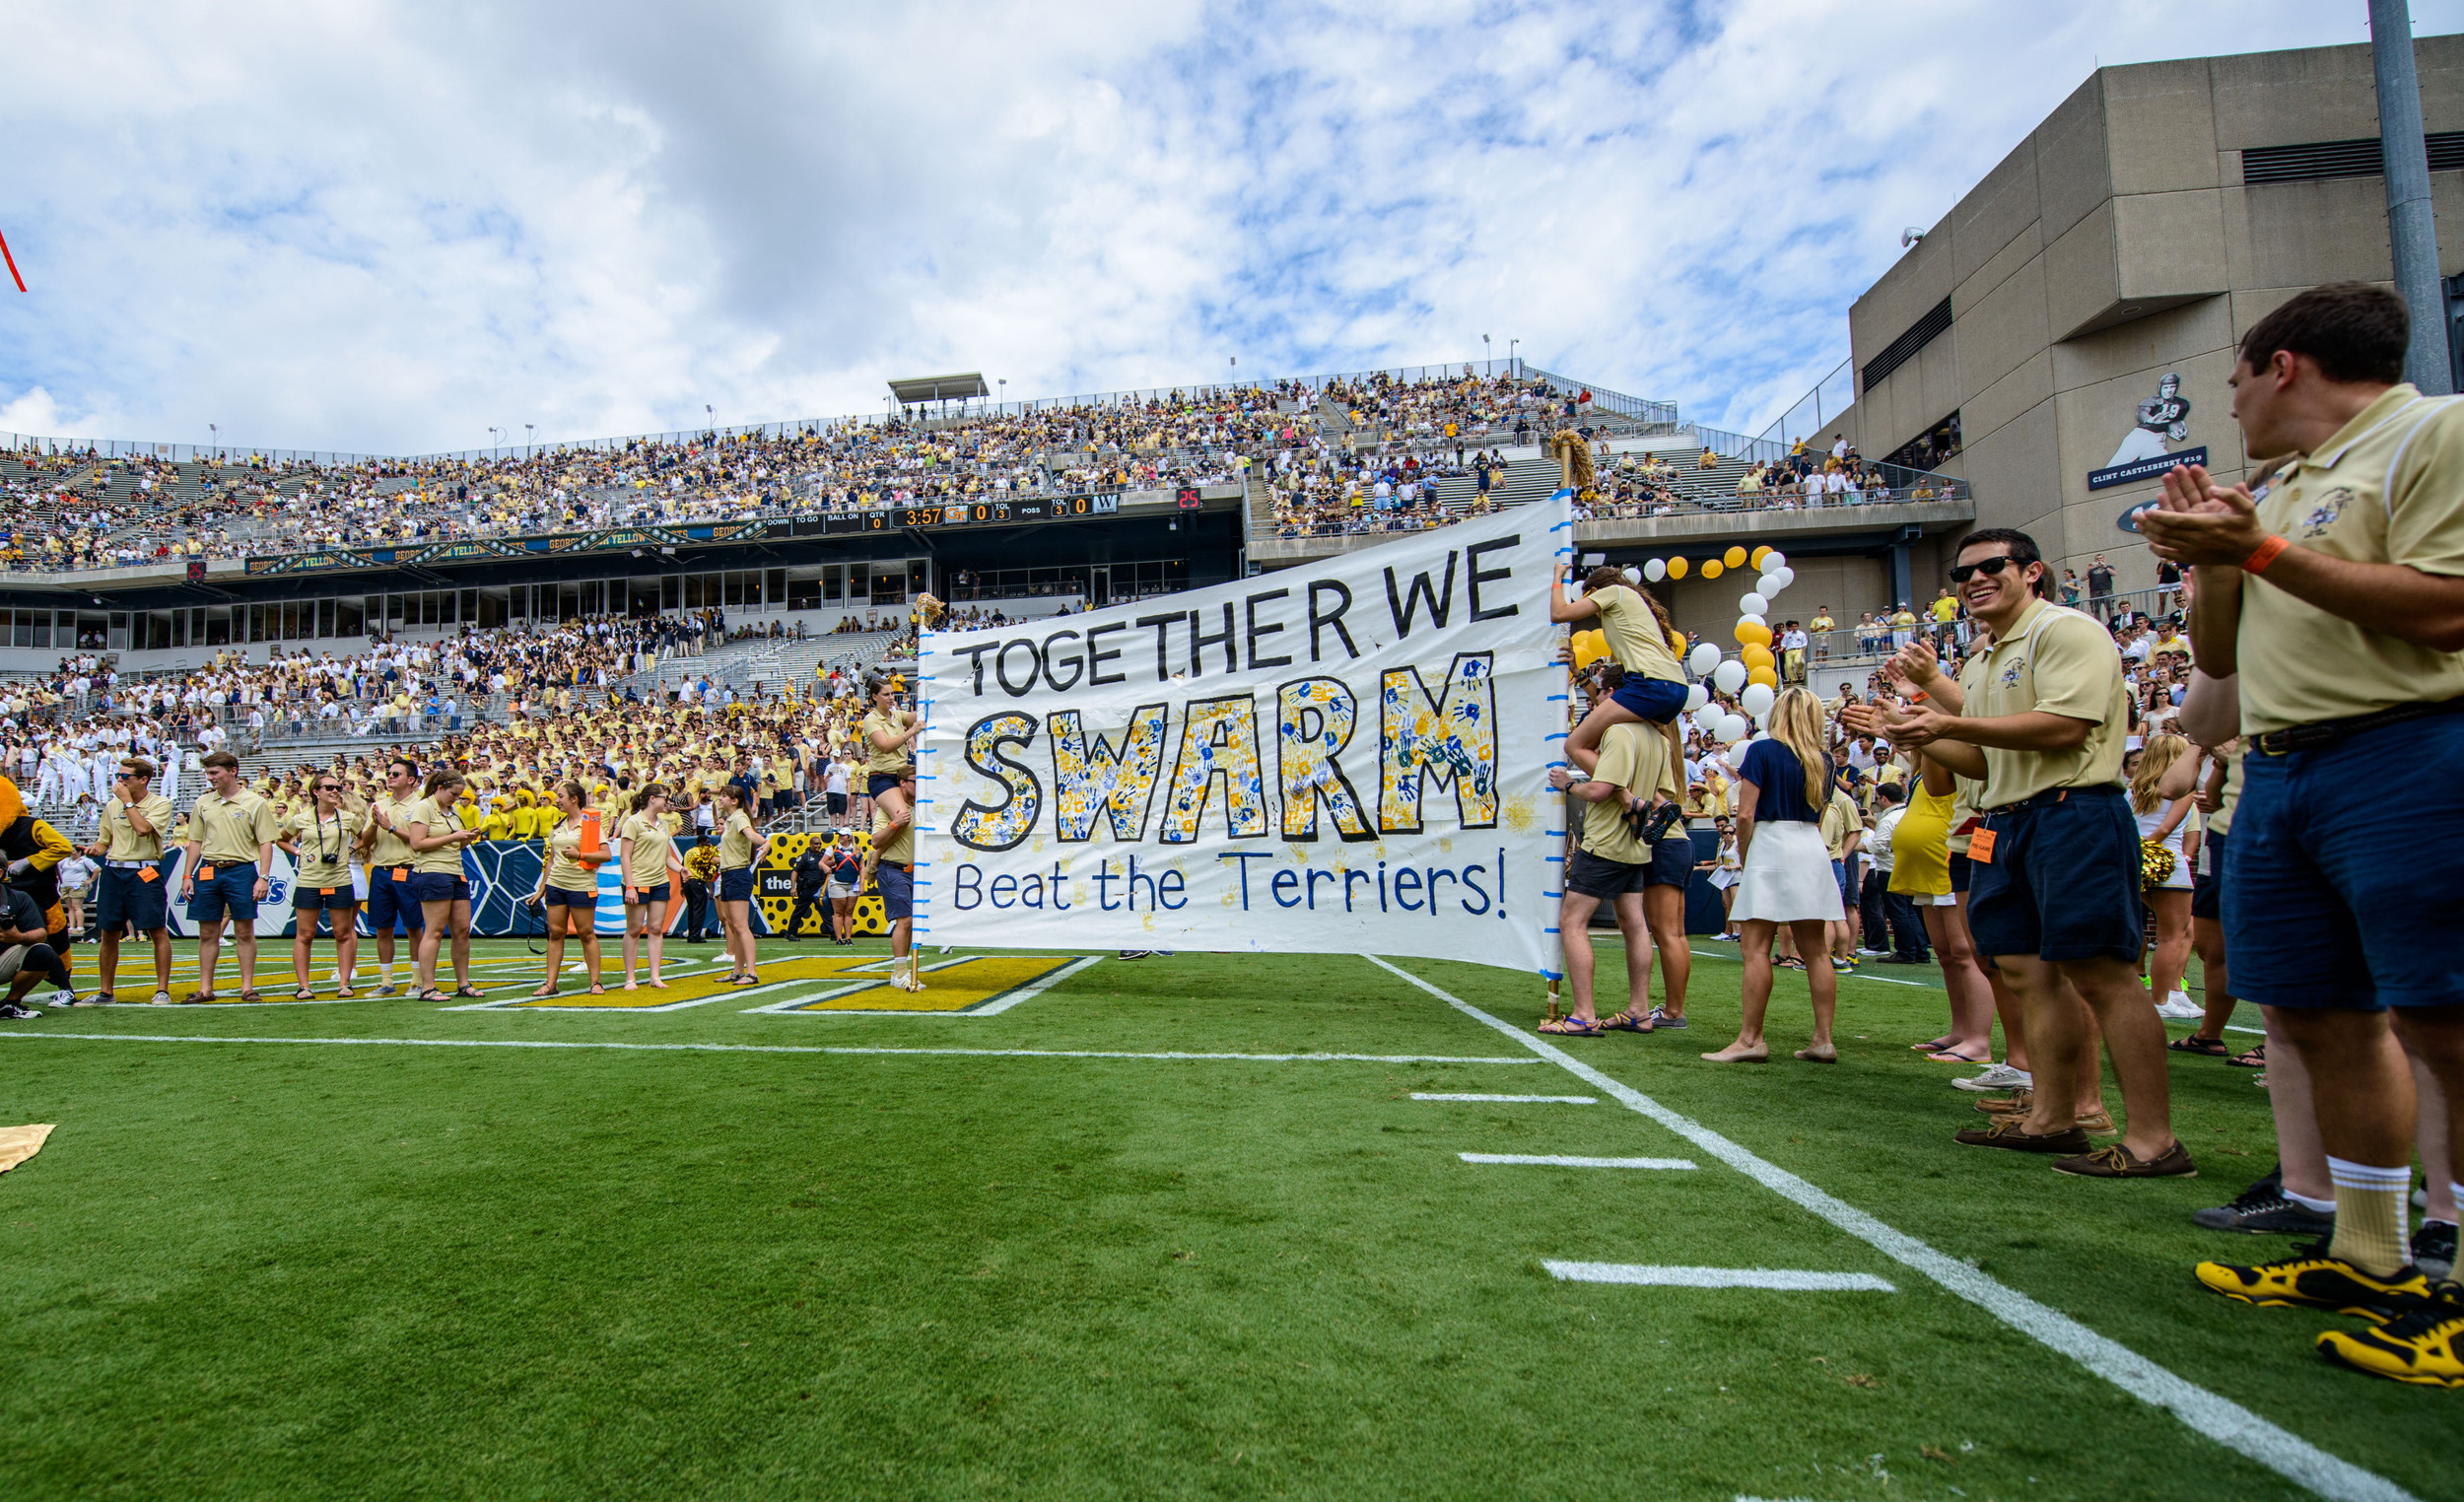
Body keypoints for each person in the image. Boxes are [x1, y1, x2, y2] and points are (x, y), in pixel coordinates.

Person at [2140, 280, 2464, 1376]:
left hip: (2411, 747)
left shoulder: (2434, 433)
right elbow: (2222, 661)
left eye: (2233, 380)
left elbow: (2445, 604)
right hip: (2283, 764)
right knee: (2322, 1016)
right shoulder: (2273, 491)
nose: (2228, 406)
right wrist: (2215, 555)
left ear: (2283, 366)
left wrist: (2262, 551)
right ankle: (2368, 1250)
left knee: (2447, 1025)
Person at [1861, 529, 2188, 1178]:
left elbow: (2067, 727)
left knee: (2103, 974)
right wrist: (1908, 735)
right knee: (2028, 975)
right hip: (2009, 822)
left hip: (2074, 812)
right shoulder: (1982, 660)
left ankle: (2154, 1140)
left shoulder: (2065, 631)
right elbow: (1981, 758)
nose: (1973, 579)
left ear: (2032, 571)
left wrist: (1943, 722)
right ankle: (2055, 1118)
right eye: (1962, 573)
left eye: (1991, 567)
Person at [1702, 688, 1844, 1064]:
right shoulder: (1824, 760)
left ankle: (1751, 1039)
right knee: (1815, 950)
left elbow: (1745, 814)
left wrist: (1747, 856)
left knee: (1755, 947)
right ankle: (1823, 1039)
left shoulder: (1762, 751)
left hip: (1770, 842)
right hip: (1810, 845)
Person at [1540, 699, 1670, 1036]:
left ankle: (1583, 1014)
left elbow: (1600, 790)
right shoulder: (1659, 738)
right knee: (1635, 924)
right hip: (1636, 844)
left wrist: (1567, 784)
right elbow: (1658, 796)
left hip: (1607, 840)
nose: (1600, 704)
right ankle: (1639, 1011)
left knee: (1572, 921)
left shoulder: (1618, 731)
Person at [1549, 566, 1688, 803]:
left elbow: (1559, 614)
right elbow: (1606, 702)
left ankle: (1629, 800)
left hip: (1650, 684)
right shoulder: (1634, 610)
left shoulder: (1614, 592)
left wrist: (1556, 578)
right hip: (1675, 687)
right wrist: (1578, 673)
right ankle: (1656, 802)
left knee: (1575, 745)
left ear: (1594, 591)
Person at [177, 749, 279, 1003]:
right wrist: (187, 875)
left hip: (241, 868)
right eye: (208, 773)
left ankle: (247, 987)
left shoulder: (255, 802)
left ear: (232, 771)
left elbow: (266, 842)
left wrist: (263, 876)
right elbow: (195, 841)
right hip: (209, 869)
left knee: (244, 930)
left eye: (214, 772)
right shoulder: (202, 803)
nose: (210, 777)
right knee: (207, 933)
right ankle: (205, 989)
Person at [83, 757, 174, 1006]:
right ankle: (106, 992)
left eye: (126, 777)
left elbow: (144, 829)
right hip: (114, 870)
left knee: (156, 929)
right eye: (118, 776)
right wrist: (94, 848)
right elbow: (105, 841)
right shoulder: (112, 806)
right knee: (108, 931)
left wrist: (127, 801)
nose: (120, 781)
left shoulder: (160, 803)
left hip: (144, 870)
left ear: (143, 779)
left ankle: (162, 990)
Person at [2130, 733, 2200, 1019]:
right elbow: (2165, 831)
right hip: (2168, 866)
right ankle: (2160, 1000)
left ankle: (2174, 993)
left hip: (2139, 864)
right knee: (2172, 936)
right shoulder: (2183, 789)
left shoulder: (2133, 788)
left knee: (2183, 931)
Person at [276, 772, 362, 999]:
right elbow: (281, 839)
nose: (335, 791)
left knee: (343, 933)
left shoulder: (347, 818)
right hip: (309, 881)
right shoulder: (301, 818)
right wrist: (297, 851)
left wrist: (350, 851)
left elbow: (365, 837)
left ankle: (345, 983)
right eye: (329, 788)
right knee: (304, 934)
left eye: (337, 788)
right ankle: (303, 986)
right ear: (316, 792)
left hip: (340, 879)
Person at [400, 769, 484, 1002]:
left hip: (455, 872)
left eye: (458, 796)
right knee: (435, 930)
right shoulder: (423, 807)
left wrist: (466, 838)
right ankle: (427, 987)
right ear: (439, 788)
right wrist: (454, 837)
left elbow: (454, 845)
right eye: (453, 794)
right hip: (432, 872)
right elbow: (417, 843)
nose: (456, 799)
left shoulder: (452, 810)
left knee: (462, 931)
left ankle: (463, 983)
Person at [529, 779, 606, 997]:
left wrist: (580, 855)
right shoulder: (557, 827)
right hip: (556, 885)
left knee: (586, 933)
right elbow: (551, 860)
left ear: (574, 799)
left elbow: (605, 854)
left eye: (561, 796)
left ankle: (596, 982)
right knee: (555, 933)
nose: (557, 800)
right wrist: (541, 888)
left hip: (582, 884)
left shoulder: (590, 824)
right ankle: (550, 983)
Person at [359, 757, 427, 996]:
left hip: (409, 870)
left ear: (411, 780)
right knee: (382, 928)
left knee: (413, 927)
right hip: (381, 870)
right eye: (389, 773)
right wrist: (375, 825)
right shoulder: (378, 805)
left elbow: (420, 841)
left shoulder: (421, 805)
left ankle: (417, 980)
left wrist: (389, 827)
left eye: (396, 774)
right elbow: (364, 843)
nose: (390, 777)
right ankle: (387, 980)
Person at [617, 785, 675, 989]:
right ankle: (630, 977)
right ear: (652, 799)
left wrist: (682, 869)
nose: (667, 802)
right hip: (638, 880)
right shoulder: (633, 822)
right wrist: (630, 885)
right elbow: (624, 855)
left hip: (659, 881)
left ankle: (655, 976)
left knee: (656, 928)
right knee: (634, 929)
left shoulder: (662, 824)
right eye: (664, 798)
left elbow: (667, 857)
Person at [870, 765, 922, 991]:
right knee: (906, 921)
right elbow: (876, 841)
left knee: (911, 924)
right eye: (915, 781)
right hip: (893, 869)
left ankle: (900, 972)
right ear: (902, 783)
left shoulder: (917, 807)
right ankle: (900, 971)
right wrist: (895, 824)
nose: (919, 786)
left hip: (912, 871)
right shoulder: (889, 809)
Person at [0, 869, 77, 1019]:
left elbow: (40, 934)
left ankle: (11, 1003)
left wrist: (17, 937)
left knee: (42, 952)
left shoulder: (17, 897)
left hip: (4, 958)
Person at [713, 783, 767, 986]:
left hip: (737, 873)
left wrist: (765, 842)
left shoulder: (739, 817)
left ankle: (751, 972)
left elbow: (751, 834)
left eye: (724, 796)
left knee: (741, 926)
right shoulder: (730, 819)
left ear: (734, 800)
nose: (720, 799)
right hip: (728, 873)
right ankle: (737, 970)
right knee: (734, 925)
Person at [859, 674, 924, 835]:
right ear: (874, 696)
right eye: (886, 694)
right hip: (882, 777)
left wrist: (921, 696)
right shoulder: (870, 719)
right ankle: (877, 853)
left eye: (892, 694)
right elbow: (885, 746)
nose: (891, 697)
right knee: (903, 816)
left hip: (902, 776)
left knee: (917, 815)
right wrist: (911, 731)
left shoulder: (896, 714)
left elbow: (919, 716)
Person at [784, 839, 826, 942]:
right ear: (810, 844)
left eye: (820, 843)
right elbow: (795, 871)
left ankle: (834, 933)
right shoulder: (804, 857)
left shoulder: (823, 856)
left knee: (825, 911)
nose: (818, 846)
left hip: (820, 888)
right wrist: (793, 887)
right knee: (799, 911)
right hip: (807, 888)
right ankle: (791, 933)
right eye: (816, 844)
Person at [825, 831, 862, 944]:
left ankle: (848, 938)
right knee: (838, 911)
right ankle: (838, 938)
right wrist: (826, 867)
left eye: (843, 835)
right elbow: (822, 862)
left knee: (849, 911)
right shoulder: (833, 848)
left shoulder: (857, 849)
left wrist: (862, 884)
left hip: (853, 883)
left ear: (849, 837)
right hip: (837, 882)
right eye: (839, 835)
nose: (840, 837)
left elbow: (862, 868)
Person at [681, 832, 718, 942]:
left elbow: (682, 869)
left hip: (687, 883)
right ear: (701, 843)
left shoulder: (688, 852)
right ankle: (695, 936)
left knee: (691, 909)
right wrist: (710, 889)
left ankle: (690, 934)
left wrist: (682, 886)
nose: (709, 844)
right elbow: (706, 872)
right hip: (698, 882)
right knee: (699, 910)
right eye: (707, 842)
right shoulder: (703, 853)